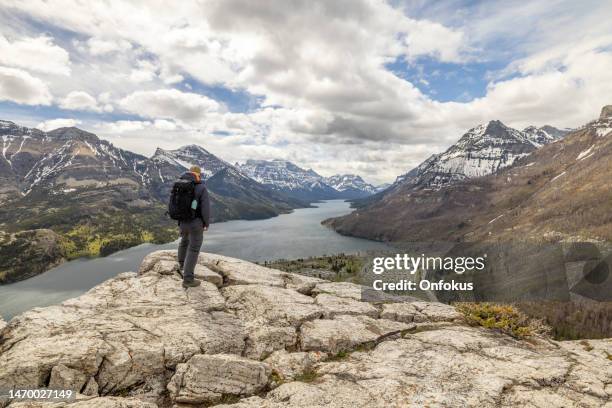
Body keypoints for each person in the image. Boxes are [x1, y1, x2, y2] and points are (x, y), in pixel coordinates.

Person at [177, 165, 211, 288]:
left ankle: (181, 265)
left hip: (182, 221)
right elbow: (205, 209)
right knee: (194, 249)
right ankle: (188, 279)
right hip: (195, 223)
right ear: (198, 174)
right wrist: (206, 223)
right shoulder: (201, 187)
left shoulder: (179, 184)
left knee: (184, 241)